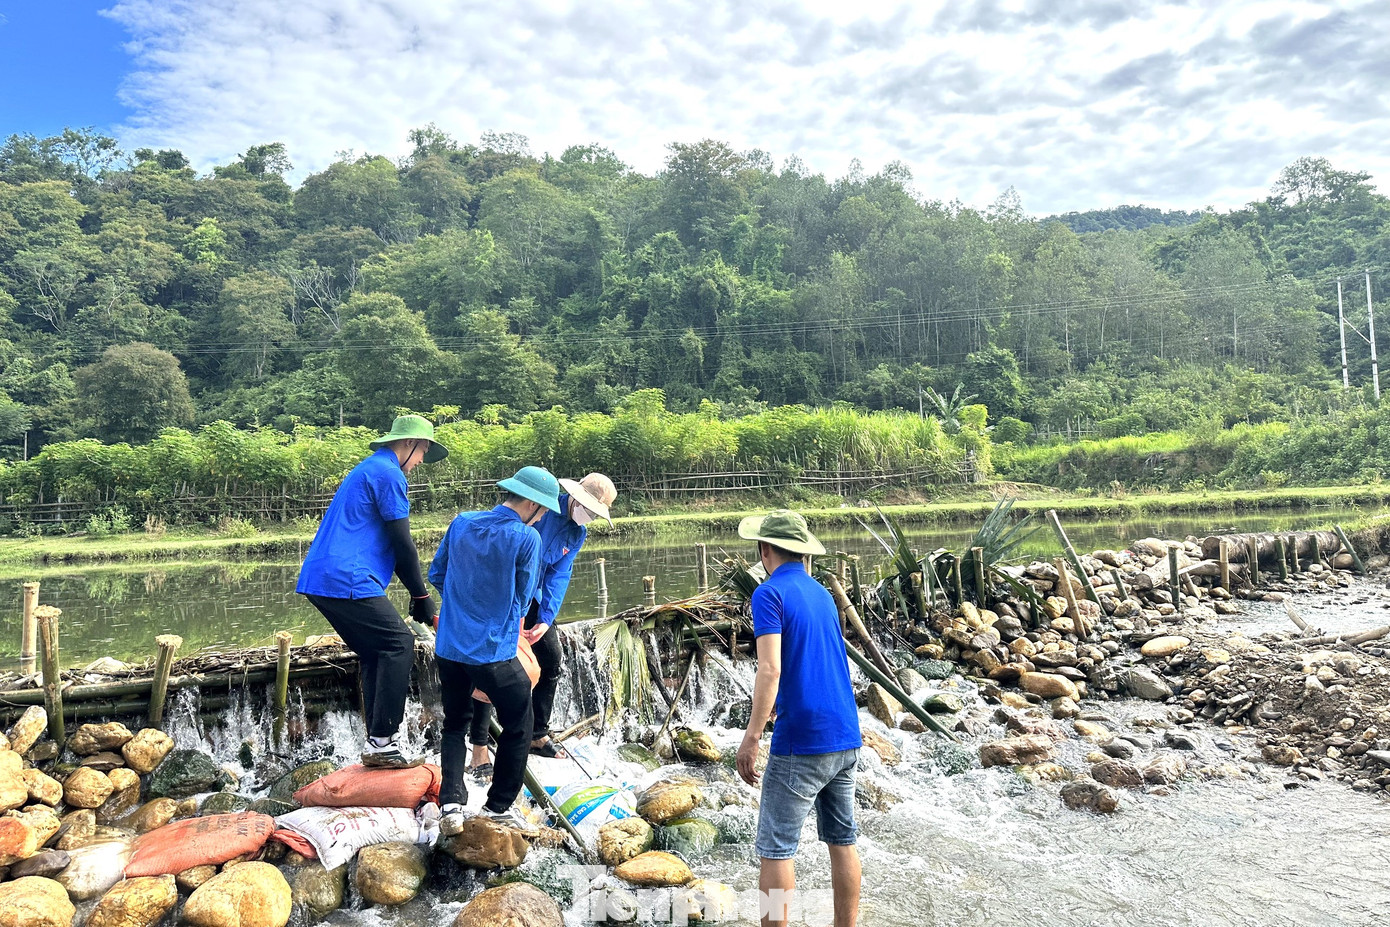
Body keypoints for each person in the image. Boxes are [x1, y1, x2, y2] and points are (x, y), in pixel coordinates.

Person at [295, 414, 446, 769]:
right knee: (399, 644)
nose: (421, 460)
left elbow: (393, 548)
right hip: (346, 576)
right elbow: (403, 543)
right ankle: (382, 742)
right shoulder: (388, 473)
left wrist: (418, 596)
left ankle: (377, 743)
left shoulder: (370, 469)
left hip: (324, 576)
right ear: (408, 443)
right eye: (422, 451)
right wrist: (422, 596)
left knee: (377, 651)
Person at [735, 510, 862, 927]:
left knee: (776, 851)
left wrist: (752, 736)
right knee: (842, 841)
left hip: (803, 738)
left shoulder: (768, 593)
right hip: (845, 732)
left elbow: (770, 668)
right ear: (803, 552)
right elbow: (817, 658)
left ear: (764, 550)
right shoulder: (822, 593)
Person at [428, 465, 561, 833]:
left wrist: (463, 605)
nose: (543, 518)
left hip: (449, 646)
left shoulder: (462, 522)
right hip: (491, 651)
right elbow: (523, 599)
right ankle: (498, 806)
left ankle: (451, 805)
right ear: (532, 505)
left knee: (455, 723)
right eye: (543, 511)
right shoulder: (526, 538)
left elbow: (437, 574)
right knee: (521, 721)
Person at [465, 473, 617, 770]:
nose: (589, 516)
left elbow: (559, 575)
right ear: (574, 498)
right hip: (502, 594)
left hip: (532, 598)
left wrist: (546, 618)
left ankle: (537, 733)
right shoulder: (539, 509)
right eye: (588, 508)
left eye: (595, 513)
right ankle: (479, 746)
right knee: (491, 664)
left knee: (551, 660)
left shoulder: (577, 533)